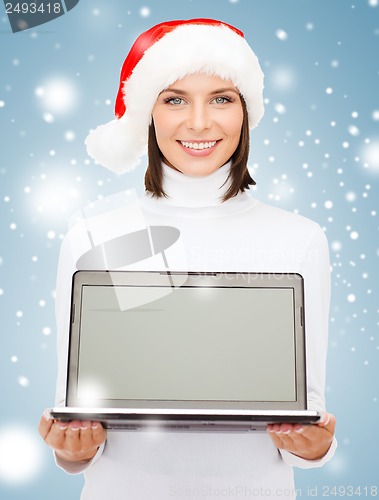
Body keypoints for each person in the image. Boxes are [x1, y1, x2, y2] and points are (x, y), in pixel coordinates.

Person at [39, 18, 337, 499]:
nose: (199, 122)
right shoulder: (93, 233)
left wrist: (315, 447)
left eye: (222, 98)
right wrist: (72, 449)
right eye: (175, 99)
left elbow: (305, 414)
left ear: (246, 112)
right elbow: (76, 411)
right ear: (147, 113)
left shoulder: (300, 238)